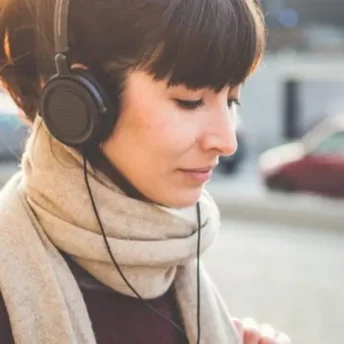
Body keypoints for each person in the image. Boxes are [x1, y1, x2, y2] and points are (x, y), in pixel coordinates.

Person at [0, 0, 291, 343]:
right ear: (83, 100)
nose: (227, 142)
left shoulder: (178, 275)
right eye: (189, 101)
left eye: (231, 101)